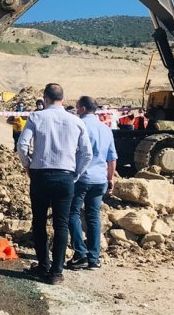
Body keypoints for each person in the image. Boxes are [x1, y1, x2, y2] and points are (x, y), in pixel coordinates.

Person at [17, 83, 93, 285]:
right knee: (61, 224)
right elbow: (87, 153)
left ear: (45, 98)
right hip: (65, 177)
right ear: (62, 98)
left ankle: (43, 265)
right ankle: (57, 273)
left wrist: (28, 166)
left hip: (40, 176)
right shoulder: (76, 121)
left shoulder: (36, 117)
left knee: (39, 222)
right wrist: (75, 173)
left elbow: (22, 145)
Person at [66, 96, 117, 271]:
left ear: (81, 108)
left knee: (72, 213)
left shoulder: (79, 126)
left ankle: (80, 253)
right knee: (93, 217)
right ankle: (94, 258)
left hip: (81, 178)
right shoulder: (106, 129)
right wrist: (110, 179)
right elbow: (112, 158)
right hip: (100, 179)